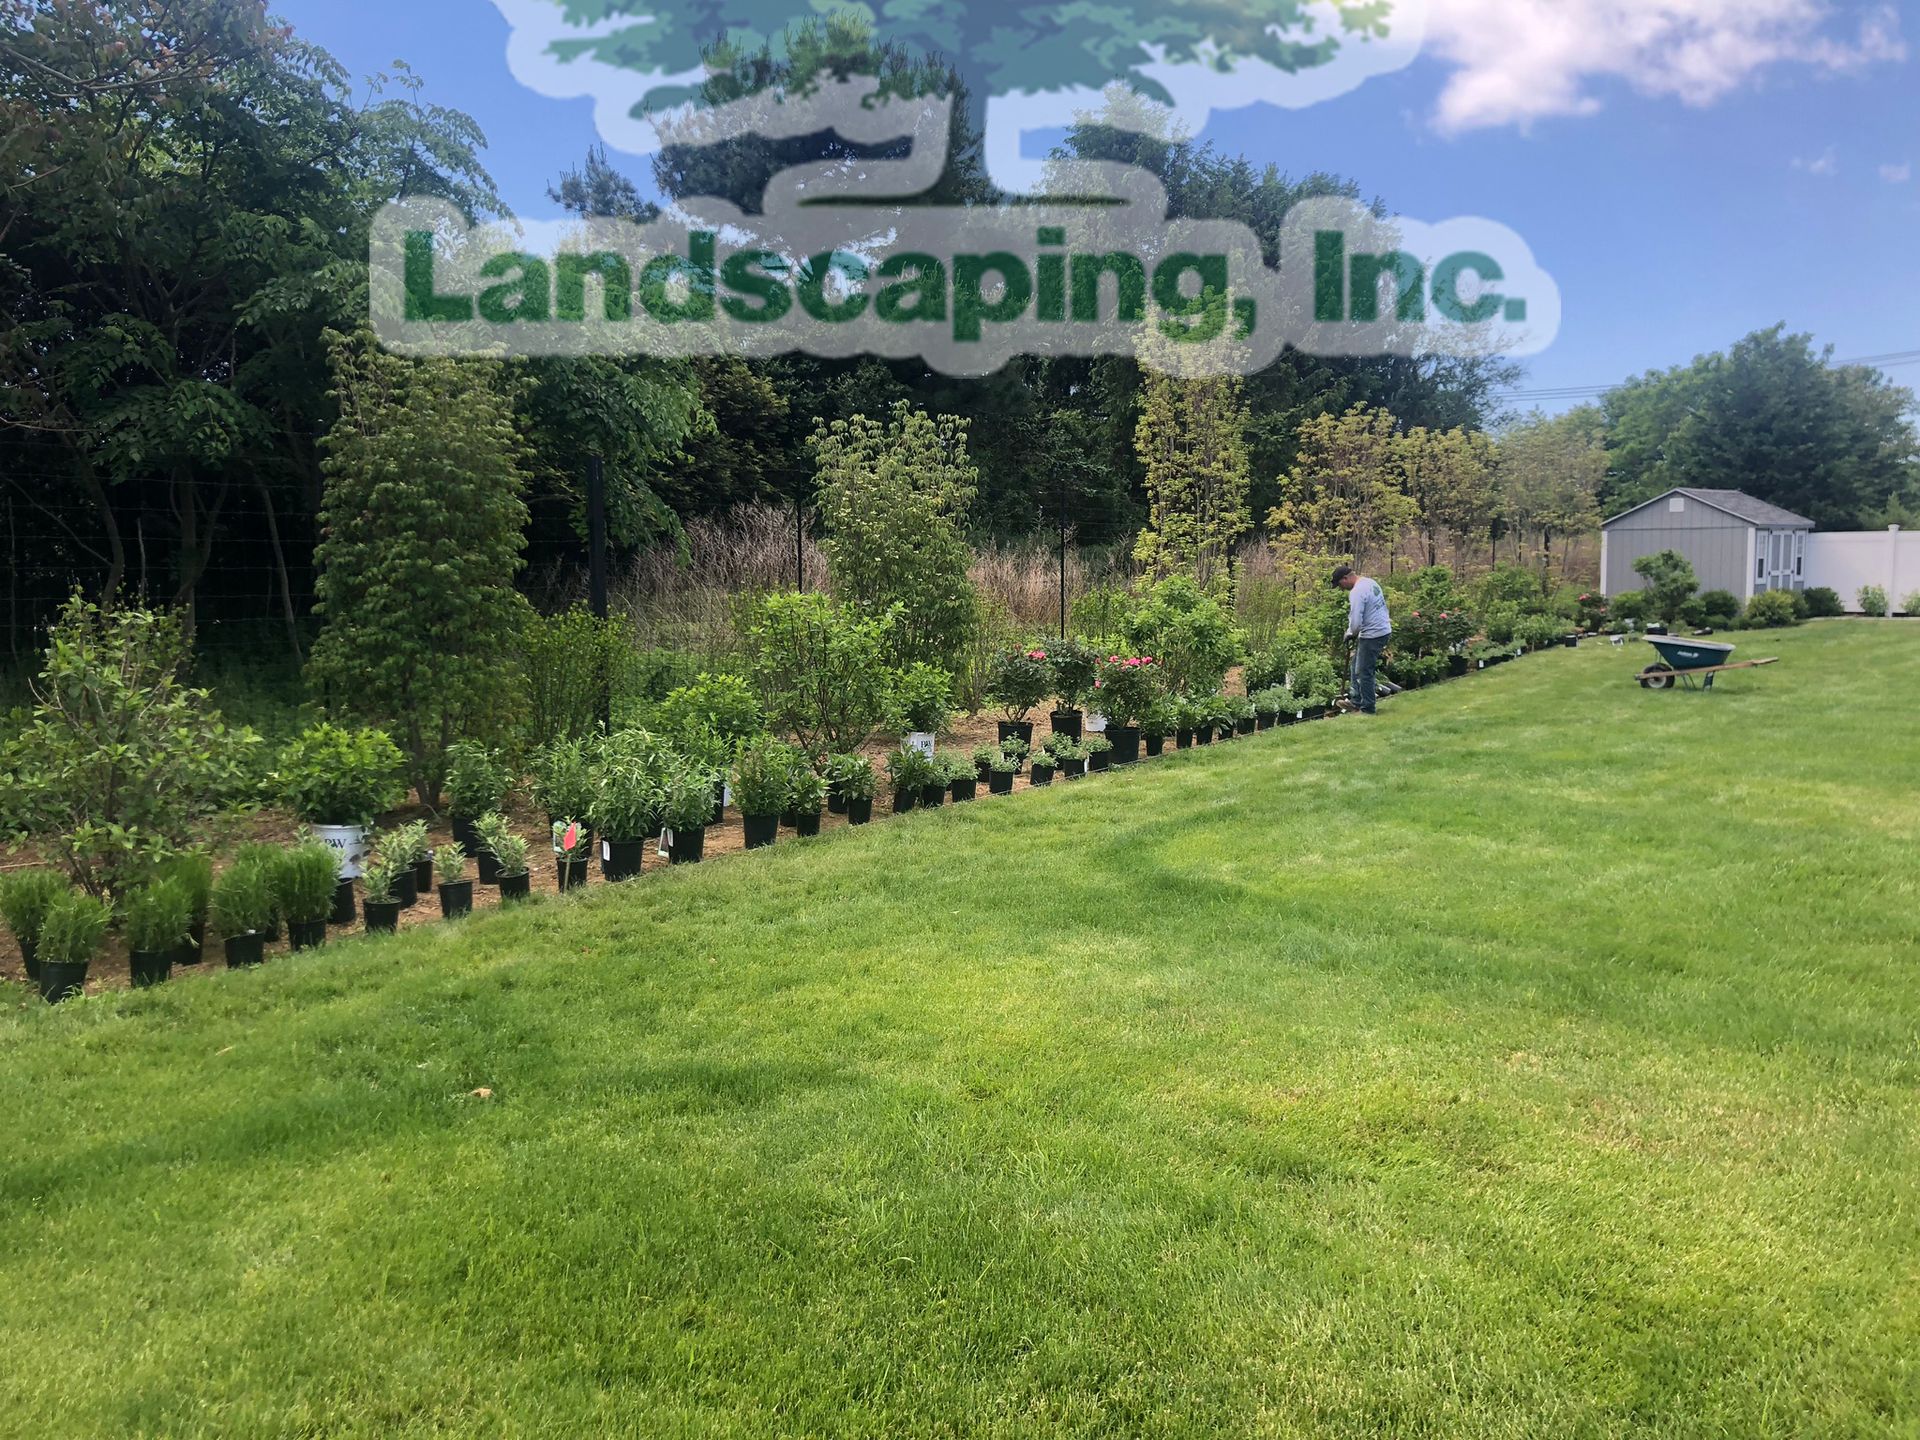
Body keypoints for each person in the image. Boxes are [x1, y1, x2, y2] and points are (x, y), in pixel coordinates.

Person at [1333, 565, 1392, 714]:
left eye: (1340, 584)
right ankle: (1357, 701)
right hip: (1382, 630)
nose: (1341, 589)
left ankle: (1367, 708)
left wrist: (1350, 633)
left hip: (1373, 634)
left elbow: (1356, 621)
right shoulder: (1369, 582)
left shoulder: (1357, 592)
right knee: (1356, 666)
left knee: (1364, 671)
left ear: (1345, 578)